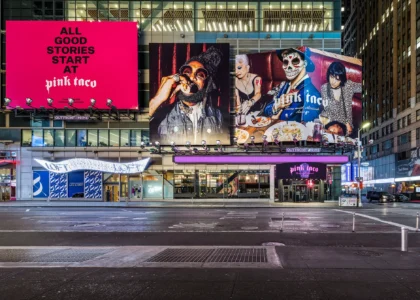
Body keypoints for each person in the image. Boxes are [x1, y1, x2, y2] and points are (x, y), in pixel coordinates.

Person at [149, 46, 224, 144]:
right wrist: (157, 99)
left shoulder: (217, 116)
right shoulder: (161, 115)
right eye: (187, 72)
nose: (192, 77)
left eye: (200, 74)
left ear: (206, 84)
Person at [262, 47, 321, 122]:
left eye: (295, 61)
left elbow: (307, 128)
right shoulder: (285, 85)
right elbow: (266, 109)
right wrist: (277, 105)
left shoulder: (312, 93)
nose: (289, 67)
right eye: (286, 62)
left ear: (305, 63)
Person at [320, 62, 362, 136]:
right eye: (332, 77)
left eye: (337, 79)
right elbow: (328, 111)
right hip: (329, 123)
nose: (333, 82)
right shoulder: (324, 88)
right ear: (328, 75)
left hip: (345, 126)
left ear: (342, 79)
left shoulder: (348, 85)